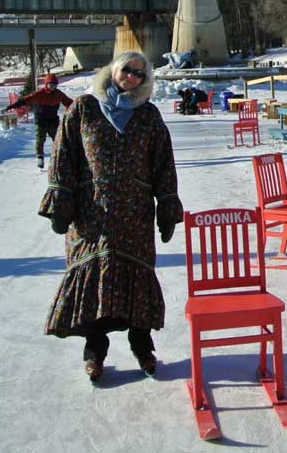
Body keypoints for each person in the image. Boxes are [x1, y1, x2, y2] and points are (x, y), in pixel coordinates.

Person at [38, 51, 183, 383]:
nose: (132, 77)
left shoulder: (148, 116)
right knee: (96, 284)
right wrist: (60, 200)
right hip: (92, 217)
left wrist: (168, 206)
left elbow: (164, 165)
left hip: (135, 217)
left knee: (136, 279)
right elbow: (63, 156)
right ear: (113, 71)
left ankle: (142, 347)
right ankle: (94, 352)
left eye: (140, 75)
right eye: (127, 70)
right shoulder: (83, 108)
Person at [5, 73, 73, 169]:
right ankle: (40, 157)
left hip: (53, 120)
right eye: (50, 84)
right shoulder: (39, 93)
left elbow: (69, 102)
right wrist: (14, 105)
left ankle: (59, 158)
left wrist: (76, 106)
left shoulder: (59, 94)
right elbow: (26, 99)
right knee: (40, 140)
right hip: (41, 121)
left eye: (54, 84)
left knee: (58, 140)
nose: (52, 86)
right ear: (46, 84)